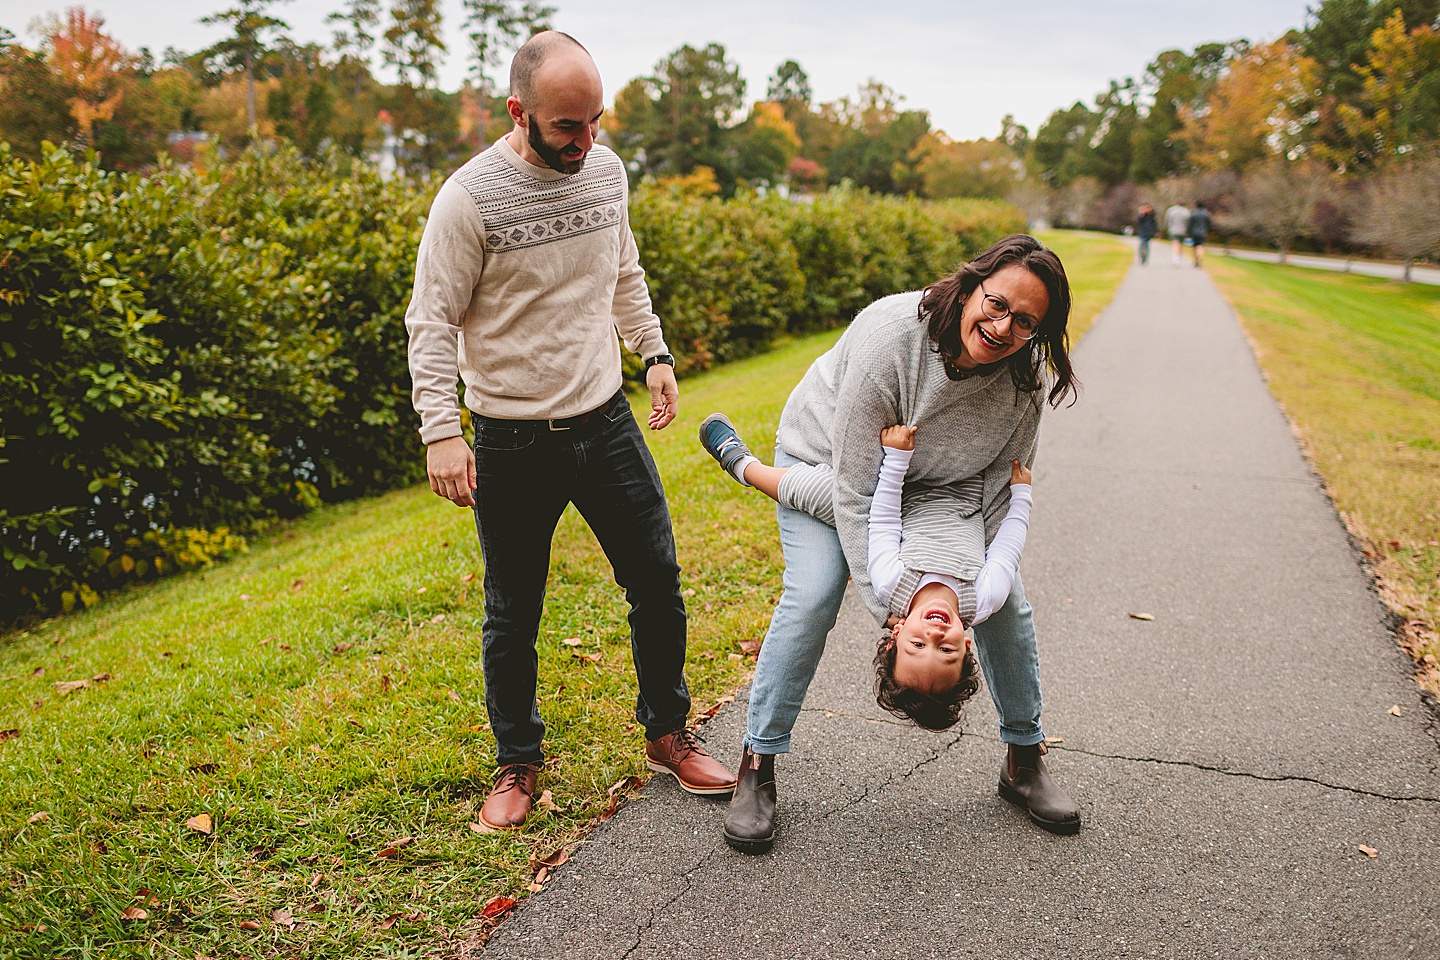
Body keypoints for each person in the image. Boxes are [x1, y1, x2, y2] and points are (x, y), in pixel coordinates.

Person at [404, 31, 734, 832]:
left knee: (656, 581)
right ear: (520, 113)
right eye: (567, 128)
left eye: (595, 123)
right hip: (513, 440)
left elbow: (621, 266)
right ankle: (516, 760)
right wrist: (441, 431)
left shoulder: (607, 170)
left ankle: (666, 733)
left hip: (606, 422)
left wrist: (652, 351)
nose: (586, 143)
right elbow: (431, 320)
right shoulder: (469, 199)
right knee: (513, 610)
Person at [719, 235, 1082, 855]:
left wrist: (966, 583)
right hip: (836, 464)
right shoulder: (893, 336)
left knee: (1006, 606)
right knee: (812, 596)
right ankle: (759, 762)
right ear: (971, 285)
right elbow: (857, 494)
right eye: (996, 304)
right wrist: (896, 602)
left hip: (946, 492)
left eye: (1026, 322)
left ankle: (1024, 758)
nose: (1003, 327)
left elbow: (1003, 482)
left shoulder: (1026, 375)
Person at [699, 415, 1036, 729]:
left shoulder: (893, 584)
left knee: (821, 492)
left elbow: (883, 520)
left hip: (897, 495)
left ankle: (743, 466)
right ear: (966, 645)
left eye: (917, 644)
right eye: (947, 651)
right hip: (958, 490)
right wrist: (1021, 497)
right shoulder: (985, 597)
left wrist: (896, 462)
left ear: (897, 635)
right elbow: (1007, 547)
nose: (934, 637)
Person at [1164, 201, 1190, 267]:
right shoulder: (1186, 211)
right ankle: (1179, 256)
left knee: (1175, 243)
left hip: (1173, 230)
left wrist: (1167, 228)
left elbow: (1167, 220)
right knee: (1181, 244)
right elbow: (1188, 222)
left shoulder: (1171, 210)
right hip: (1183, 230)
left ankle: (1175, 257)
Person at [1188, 201, 1212, 267]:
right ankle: (1200, 257)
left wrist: (1189, 232)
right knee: (1200, 245)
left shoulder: (1193, 213)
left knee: (1194, 246)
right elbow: (1208, 224)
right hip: (1202, 232)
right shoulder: (1206, 214)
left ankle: (1196, 259)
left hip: (1194, 232)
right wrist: (1207, 231)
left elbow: (1190, 224)